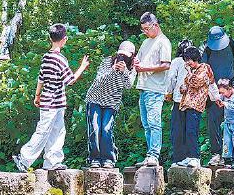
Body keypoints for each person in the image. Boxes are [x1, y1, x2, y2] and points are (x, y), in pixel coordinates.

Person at [14, 24, 90, 172]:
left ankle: (52, 162)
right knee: (44, 131)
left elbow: (41, 78)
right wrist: (82, 66)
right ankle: (23, 159)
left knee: (58, 131)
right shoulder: (60, 59)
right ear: (64, 39)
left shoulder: (46, 57)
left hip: (51, 100)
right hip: (53, 102)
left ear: (50, 38)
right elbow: (70, 80)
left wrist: (37, 95)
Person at [84, 41, 136, 168]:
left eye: (126, 56)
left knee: (106, 129)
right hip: (95, 99)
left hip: (112, 102)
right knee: (95, 128)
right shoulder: (107, 61)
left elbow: (128, 86)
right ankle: (94, 158)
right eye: (121, 55)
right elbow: (98, 80)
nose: (122, 58)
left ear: (131, 56)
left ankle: (108, 159)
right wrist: (112, 70)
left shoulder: (132, 68)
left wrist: (124, 71)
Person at [200, 26, 234, 165]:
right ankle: (217, 154)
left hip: (230, 89)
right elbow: (203, 70)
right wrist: (210, 91)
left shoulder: (232, 44)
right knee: (213, 122)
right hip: (214, 90)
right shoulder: (206, 47)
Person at [133, 13, 172, 166]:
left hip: (155, 89)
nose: (145, 32)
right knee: (146, 124)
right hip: (143, 87)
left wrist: (144, 68)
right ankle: (149, 154)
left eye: (147, 28)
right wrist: (136, 62)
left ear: (155, 25)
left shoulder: (163, 42)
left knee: (154, 123)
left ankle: (154, 155)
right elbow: (139, 60)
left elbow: (166, 65)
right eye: (143, 29)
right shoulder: (145, 42)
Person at [175, 46, 214, 168]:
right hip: (186, 104)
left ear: (195, 58)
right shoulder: (192, 71)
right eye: (186, 60)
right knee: (186, 132)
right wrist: (183, 88)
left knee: (192, 131)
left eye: (188, 59)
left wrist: (189, 73)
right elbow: (185, 85)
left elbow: (196, 82)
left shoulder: (204, 68)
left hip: (196, 105)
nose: (187, 63)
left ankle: (195, 157)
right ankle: (188, 157)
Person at [165, 40, 196, 167]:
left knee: (177, 130)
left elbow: (171, 78)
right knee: (191, 129)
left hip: (179, 99)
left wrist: (168, 93)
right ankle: (191, 157)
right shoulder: (197, 62)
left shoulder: (177, 61)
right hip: (193, 101)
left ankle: (178, 159)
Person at [214, 78, 234, 168]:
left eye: (223, 92)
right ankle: (228, 159)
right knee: (227, 141)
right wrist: (218, 101)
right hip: (228, 122)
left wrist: (226, 104)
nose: (222, 94)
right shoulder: (223, 96)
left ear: (230, 89)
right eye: (220, 93)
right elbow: (217, 97)